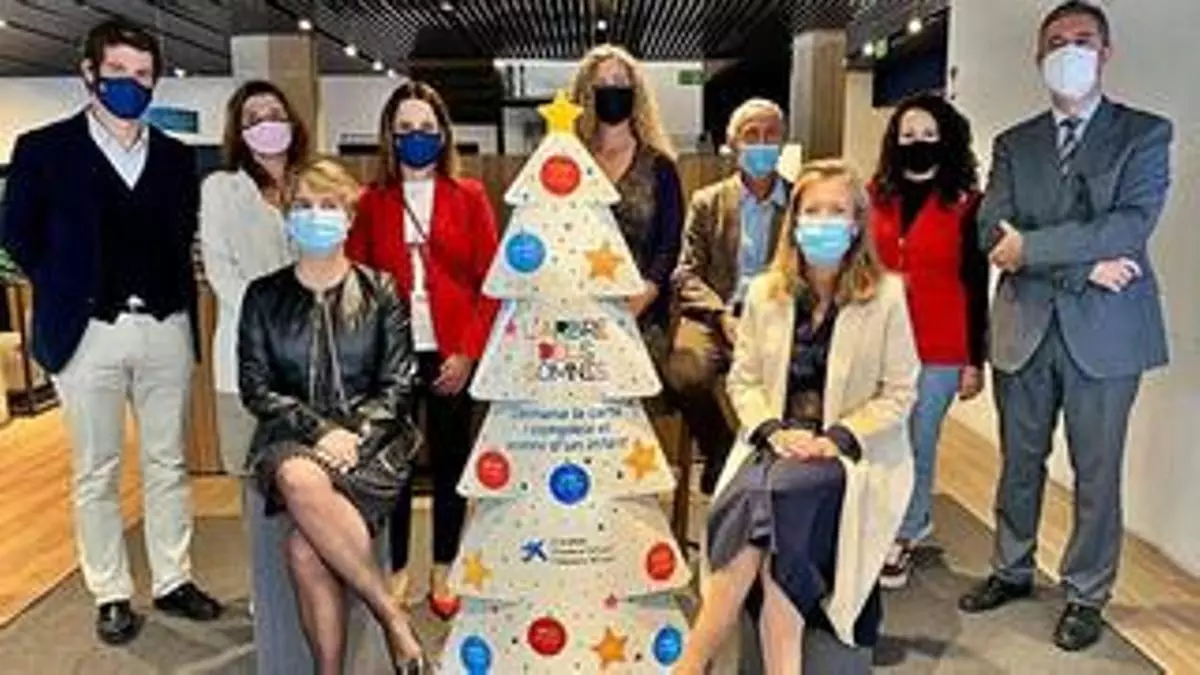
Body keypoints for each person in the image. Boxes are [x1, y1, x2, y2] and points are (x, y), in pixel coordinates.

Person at [959, 1, 1172, 653]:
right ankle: (1012, 567)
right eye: (1056, 41)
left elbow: (1129, 226)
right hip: (1023, 328)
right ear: (1038, 55)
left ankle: (1086, 593)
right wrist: (1081, 267)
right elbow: (990, 231)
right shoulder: (1014, 143)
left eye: (1083, 39)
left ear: (1105, 53)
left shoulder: (1144, 134)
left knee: (1096, 472)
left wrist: (1032, 248)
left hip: (1107, 335)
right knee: (1019, 462)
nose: (1069, 50)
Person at [0, 19, 222, 644]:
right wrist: (63, 283)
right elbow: (17, 233)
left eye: (143, 75)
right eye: (118, 72)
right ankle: (111, 592)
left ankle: (173, 578)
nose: (132, 84)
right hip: (85, 331)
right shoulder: (44, 149)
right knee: (96, 468)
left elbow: (181, 233)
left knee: (167, 461)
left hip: (164, 325)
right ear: (90, 74)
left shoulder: (176, 157)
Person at [677, 160, 918, 674]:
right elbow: (743, 380)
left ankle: (691, 664)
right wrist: (772, 430)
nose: (824, 221)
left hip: (846, 451)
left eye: (837, 211)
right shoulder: (765, 291)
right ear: (794, 221)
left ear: (856, 222)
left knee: (779, 497)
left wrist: (838, 438)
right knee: (760, 500)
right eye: (813, 210)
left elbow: (899, 393)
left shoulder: (887, 297)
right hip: (774, 441)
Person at [238, 158, 428, 674]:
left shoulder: (381, 290)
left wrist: (356, 435)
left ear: (349, 216)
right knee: (300, 475)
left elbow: (400, 382)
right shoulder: (263, 296)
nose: (315, 215)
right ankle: (393, 617)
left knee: (305, 551)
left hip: (372, 445)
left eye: (328, 205)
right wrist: (321, 432)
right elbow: (256, 388)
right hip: (291, 438)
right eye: (303, 205)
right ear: (287, 216)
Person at [346, 80, 499, 621]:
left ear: (443, 134)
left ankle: (445, 564)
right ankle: (395, 566)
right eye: (405, 128)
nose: (417, 137)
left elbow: (490, 282)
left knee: (453, 462)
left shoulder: (469, 196)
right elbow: (357, 282)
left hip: (451, 352)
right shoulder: (372, 202)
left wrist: (468, 353)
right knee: (396, 465)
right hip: (393, 355)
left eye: (426, 128)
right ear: (390, 136)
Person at [199, 79, 309, 673]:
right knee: (260, 490)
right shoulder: (221, 189)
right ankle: (269, 601)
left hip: (311, 365)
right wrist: (280, 319)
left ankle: (309, 588)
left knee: (309, 485)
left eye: (275, 112)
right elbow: (223, 273)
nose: (266, 122)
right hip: (248, 362)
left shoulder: (310, 185)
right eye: (252, 116)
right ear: (238, 132)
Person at [868, 93, 989, 588]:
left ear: (947, 139)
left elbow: (976, 283)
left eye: (928, 134)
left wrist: (975, 359)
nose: (918, 142)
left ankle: (907, 531)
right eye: (908, 134)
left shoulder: (967, 204)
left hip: (940, 345)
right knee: (877, 435)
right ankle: (873, 520)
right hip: (880, 341)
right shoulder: (875, 197)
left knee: (918, 439)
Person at [670, 98, 790, 495]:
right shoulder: (708, 202)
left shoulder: (799, 202)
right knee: (684, 371)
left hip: (777, 318)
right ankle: (720, 450)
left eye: (771, 134)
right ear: (733, 142)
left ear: (783, 140)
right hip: (716, 316)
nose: (762, 144)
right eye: (751, 135)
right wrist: (722, 316)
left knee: (796, 381)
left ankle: (771, 471)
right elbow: (686, 273)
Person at [568, 44, 684, 361]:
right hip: (579, 304)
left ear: (636, 92)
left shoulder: (660, 166)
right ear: (587, 94)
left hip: (642, 308)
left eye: (620, 82)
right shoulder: (570, 163)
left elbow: (669, 244)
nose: (612, 90)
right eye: (602, 83)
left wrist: (645, 293)